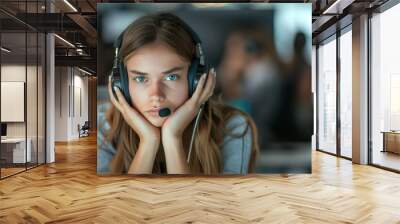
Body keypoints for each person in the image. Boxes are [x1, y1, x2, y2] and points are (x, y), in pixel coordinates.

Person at [97, 12, 259, 175]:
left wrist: (172, 139)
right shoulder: (102, 127)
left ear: (195, 79)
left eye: (171, 77)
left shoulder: (233, 127)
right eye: (140, 78)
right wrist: (149, 142)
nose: (156, 95)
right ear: (121, 83)